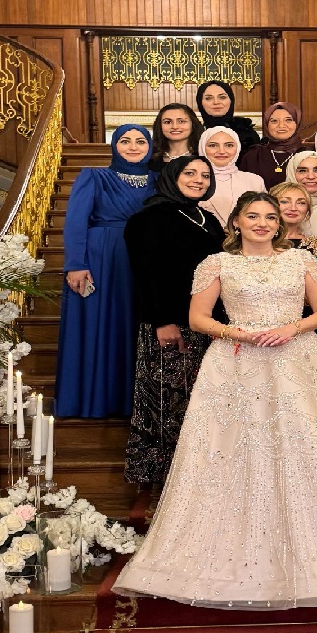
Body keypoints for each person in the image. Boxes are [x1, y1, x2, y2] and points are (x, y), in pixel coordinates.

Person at [113, 191, 317, 609]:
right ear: (236, 222)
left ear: (279, 224)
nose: (262, 223)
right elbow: (197, 319)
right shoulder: (217, 263)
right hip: (236, 360)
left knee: (306, 444)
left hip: (297, 357)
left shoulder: (301, 261)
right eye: (253, 216)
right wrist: (238, 333)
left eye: (270, 217)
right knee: (232, 448)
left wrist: (290, 329)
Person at [122, 156, 225, 485]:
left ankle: (198, 476)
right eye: (190, 173)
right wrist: (162, 321)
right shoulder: (148, 219)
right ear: (171, 177)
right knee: (165, 403)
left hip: (206, 324)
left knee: (200, 402)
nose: (198, 180)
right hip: (170, 324)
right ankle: (158, 480)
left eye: (205, 175)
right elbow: (146, 275)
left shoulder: (209, 219)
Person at [54, 124, 156, 418]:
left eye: (140, 141)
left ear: (150, 147)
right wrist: (76, 264)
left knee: (135, 325)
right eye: (125, 141)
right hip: (101, 260)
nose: (133, 147)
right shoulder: (94, 176)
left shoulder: (160, 179)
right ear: (114, 145)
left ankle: (132, 401)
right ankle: (94, 400)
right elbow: (76, 222)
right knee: (100, 326)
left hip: (144, 260)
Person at [269, 181, 317, 341]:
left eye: (301, 203)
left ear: (307, 210)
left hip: (308, 326)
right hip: (261, 324)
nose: (293, 208)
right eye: (284, 201)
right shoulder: (255, 242)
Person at [198, 126, 265, 226]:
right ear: (202, 147)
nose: (221, 151)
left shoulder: (254, 180)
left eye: (229, 145)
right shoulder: (192, 181)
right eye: (213, 145)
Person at [239, 102, 307, 189]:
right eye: (274, 121)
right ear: (267, 124)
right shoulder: (253, 156)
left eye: (288, 120)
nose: (281, 125)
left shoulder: (308, 155)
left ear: (297, 123)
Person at [195, 80, 260, 155]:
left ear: (231, 100)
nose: (216, 102)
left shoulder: (248, 134)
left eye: (222, 97)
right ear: (200, 103)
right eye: (208, 98)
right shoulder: (194, 134)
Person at [147, 104, 203, 172]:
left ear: (193, 124)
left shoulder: (203, 155)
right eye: (168, 122)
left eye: (181, 121)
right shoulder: (149, 158)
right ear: (159, 126)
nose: (175, 127)